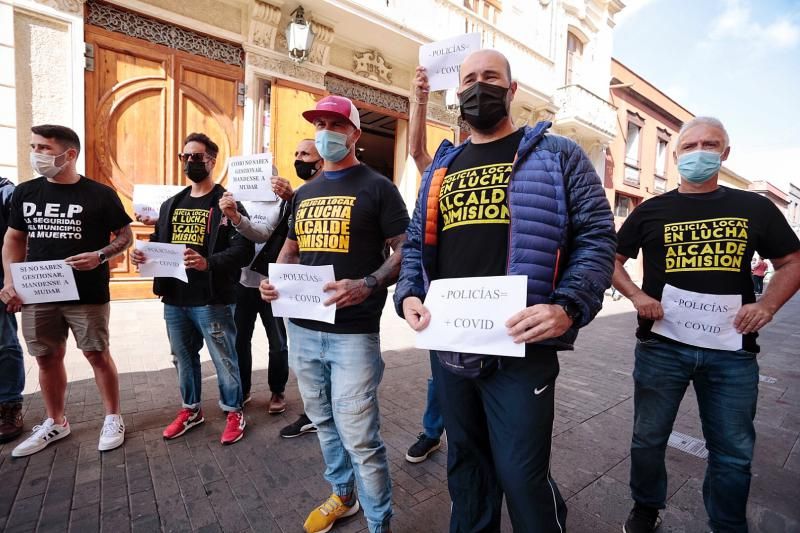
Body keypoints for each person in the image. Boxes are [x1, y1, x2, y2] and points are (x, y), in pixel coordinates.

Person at [394, 50, 617, 532]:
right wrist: (409, 294)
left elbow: (598, 235)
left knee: (520, 474)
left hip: (522, 346)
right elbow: (415, 243)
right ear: (458, 94)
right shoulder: (441, 168)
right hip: (450, 342)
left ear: (512, 90)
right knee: (467, 466)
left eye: (491, 77)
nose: (479, 86)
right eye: (470, 79)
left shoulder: (558, 154)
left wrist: (569, 306)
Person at [611, 116, 800, 533]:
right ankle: (646, 508)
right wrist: (638, 297)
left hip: (732, 352)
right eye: (690, 145)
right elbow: (612, 259)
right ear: (677, 154)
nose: (700, 152)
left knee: (732, 450)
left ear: (725, 153)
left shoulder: (753, 207)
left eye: (710, 144)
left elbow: (791, 262)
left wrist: (768, 305)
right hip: (662, 346)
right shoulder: (652, 211)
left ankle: (727, 524)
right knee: (648, 438)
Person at [259, 95, 409, 533]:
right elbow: (290, 248)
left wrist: (368, 284)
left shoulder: (378, 187)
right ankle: (343, 497)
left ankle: (379, 522)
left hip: (354, 335)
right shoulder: (304, 193)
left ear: (354, 134)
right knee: (323, 421)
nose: (325, 132)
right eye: (319, 123)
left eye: (334, 124)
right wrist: (275, 280)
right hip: (303, 328)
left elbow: (405, 249)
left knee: (361, 436)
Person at [1, 124, 133, 457]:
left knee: (96, 355)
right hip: (38, 291)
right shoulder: (26, 192)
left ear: (69, 154)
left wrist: (101, 255)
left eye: (43, 148)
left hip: (86, 293)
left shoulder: (100, 194)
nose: (36, 154)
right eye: (34, 146)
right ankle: (55, 421)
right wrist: (9, 281)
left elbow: (125, 237)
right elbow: (14, 239)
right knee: (46, 358)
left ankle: (113, 417)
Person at [131, 132, 254, 445]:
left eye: (196, 157)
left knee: (224, 357)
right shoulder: (172, 204)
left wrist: (207, 263)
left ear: (211, 161)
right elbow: (159, 243)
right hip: (175, 298)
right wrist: (143, 253)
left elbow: (243, 251)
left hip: (212, 299)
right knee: (182, 357)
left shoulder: (227, 203)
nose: (189, 162)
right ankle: (191, 410)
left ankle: (233, 410)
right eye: (184, 156)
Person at [403, 65, 445, 464]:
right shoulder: (442, 173)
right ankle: (432, 431)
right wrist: (419, 99)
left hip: (499, 293)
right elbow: (417, 152)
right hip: (446, 293)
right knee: (441, 373)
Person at [0, 176, 25, 444]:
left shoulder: (7, 193)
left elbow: (20, 239)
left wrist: (14, 282)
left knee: (4, 344)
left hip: (1, 281)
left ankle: (9, 405)